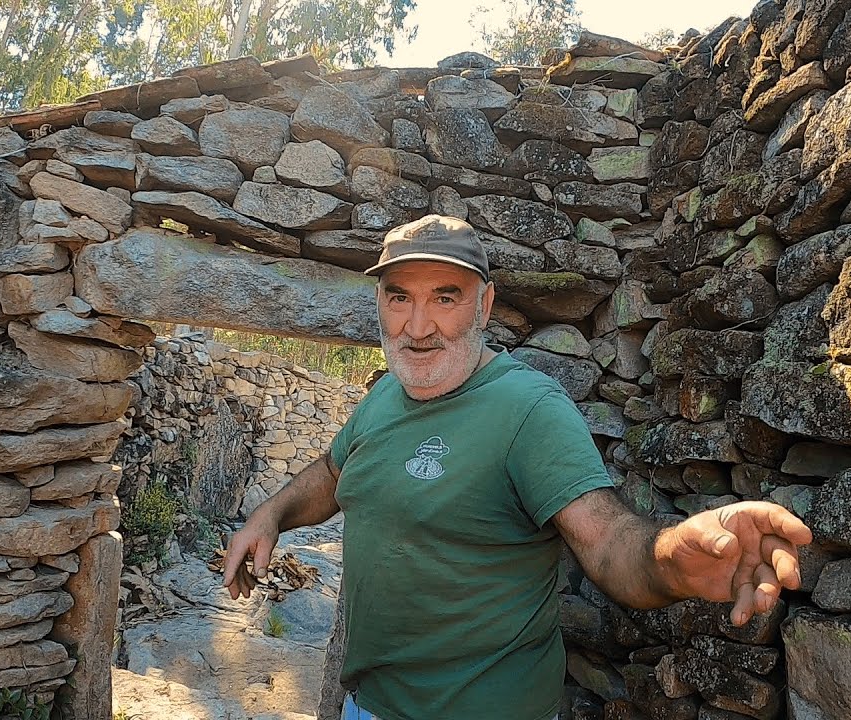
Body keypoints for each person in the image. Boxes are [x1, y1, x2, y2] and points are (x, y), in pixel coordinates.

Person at [222, 215, 813, 720]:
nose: (417, 327)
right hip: (368, 707)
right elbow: (334, 471)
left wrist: (673, 558)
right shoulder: (384, 396)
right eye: (399, 297)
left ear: (484, 304)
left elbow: (608, 541)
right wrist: (271, 515)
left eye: (445, 298)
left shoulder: (529, 410)